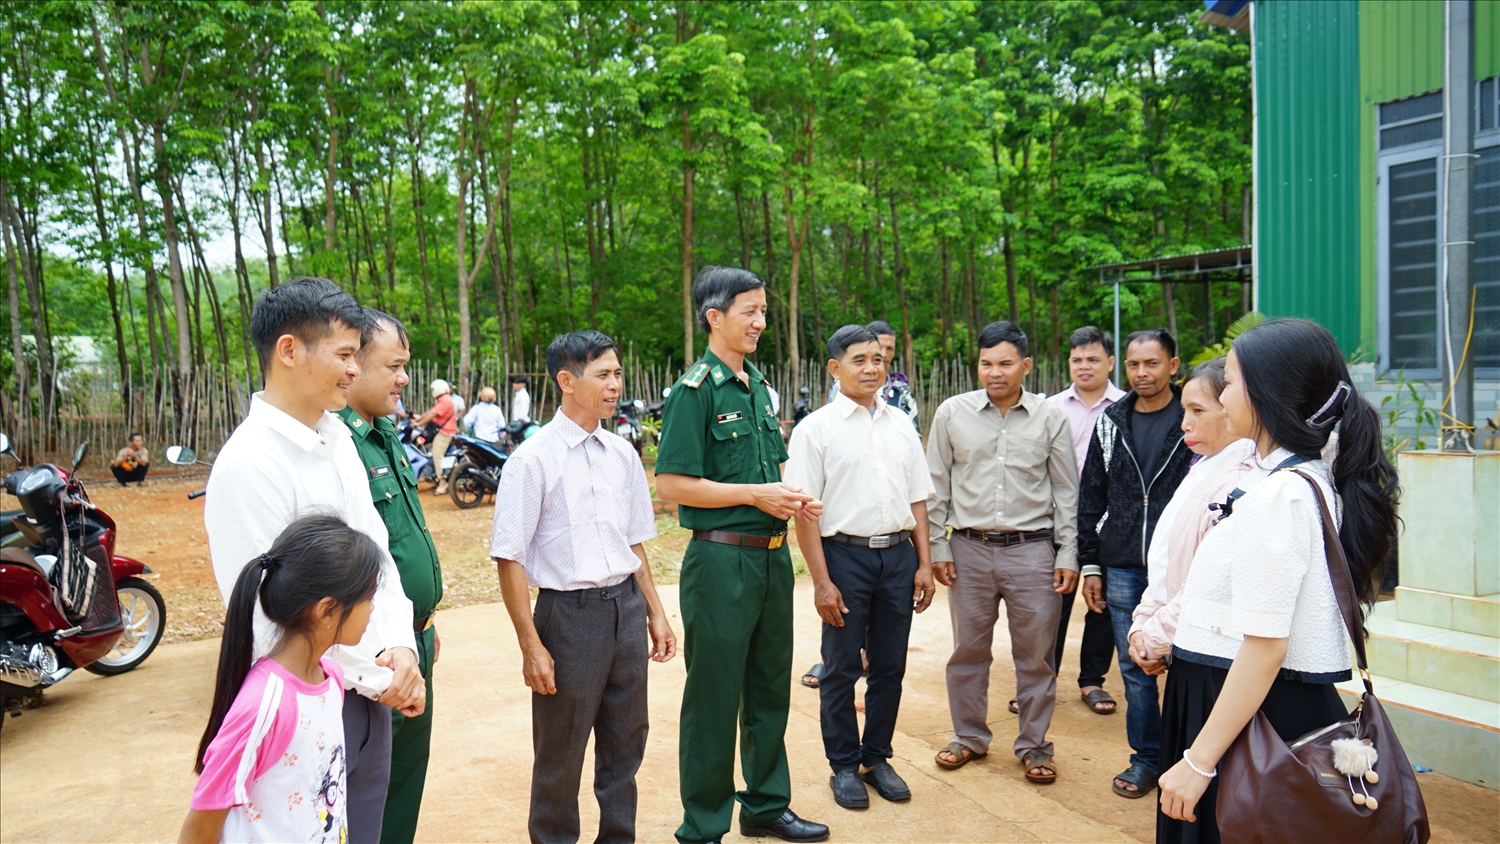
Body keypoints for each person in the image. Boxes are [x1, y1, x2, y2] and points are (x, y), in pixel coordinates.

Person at [1157, 319, 1398, 843]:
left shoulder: (1279, 496)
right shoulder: (1278, 481)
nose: (1221, 391)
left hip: (1248, 712)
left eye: (1232, 379)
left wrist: (1199, 763)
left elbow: (1266, 647)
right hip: (1238, 701)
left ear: (1266, 393)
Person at [204, 277, 425, 844]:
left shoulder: (337, 438)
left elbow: (378, 555)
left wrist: (400, 642)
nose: (355, 370)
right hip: (302, 710)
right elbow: (272, 621)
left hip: (368, 692)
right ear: (289, 350)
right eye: (345, 354)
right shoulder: (249, 467)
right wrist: (381, 676)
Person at [655, 266, 829, 844]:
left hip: (773, 561)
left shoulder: (757, 386)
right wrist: (755, 495)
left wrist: (791, 499)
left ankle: (764, 806)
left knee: (768, 689)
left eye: (763, 311)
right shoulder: (693, 391)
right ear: (714, 317)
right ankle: (703, 825)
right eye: (749, 311)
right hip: (720, 563)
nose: (760, 322)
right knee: (713, 698)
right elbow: (673, 484)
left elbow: (767, 474)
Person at [491, 330, 677, 844]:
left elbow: (634, 542)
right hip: (567, 619)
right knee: (561, 751)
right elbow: (509, 557)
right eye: (604, 374)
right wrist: (531, 645)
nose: (615, 383)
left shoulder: (622, 454)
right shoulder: (532, 460)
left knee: (626, 743)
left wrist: (655, 612)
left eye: (617, 373)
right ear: (567, 380)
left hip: (626, 609)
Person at [784, 325, 935, 810]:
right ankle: (844, 765)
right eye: (858, 360)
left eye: (877, 359)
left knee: (890, 665)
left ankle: (877, 757)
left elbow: (917, 499)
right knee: (842, 666)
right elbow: (805, 513)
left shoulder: (901, 425)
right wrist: (821, 582)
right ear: (835, 368)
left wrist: (924, 564)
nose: (871, 368)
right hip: (844, 557)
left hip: (898, 555)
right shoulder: (816, 429)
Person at [927, 320, 1079, 785]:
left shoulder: (1050, 417)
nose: (995, 372)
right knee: (967, 652)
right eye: (986, 363)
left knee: (1035, 655)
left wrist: (1068, 552)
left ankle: (1035, 746)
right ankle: (968, 737)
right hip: (967, 550)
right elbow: (935, 484)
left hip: (1031, 552)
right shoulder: (951, 413)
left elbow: (1066, 491)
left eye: (1006, 363)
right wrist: (936, 543)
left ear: (1026, 366)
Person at [179, 516, 381, 844]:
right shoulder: (266, 703)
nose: (373, 608)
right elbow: (201, 827)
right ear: (327, 609)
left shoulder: (331, 679)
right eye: (368, 597)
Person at [336, 310, 445, 844]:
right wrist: (393, 643)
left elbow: (405, 538)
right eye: (395, 366)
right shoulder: (338, 444)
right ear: (353, 364)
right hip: (376, 654)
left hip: (412, 638)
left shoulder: (383, 433)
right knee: (368, 793)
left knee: (404, 783)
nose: (405, 378)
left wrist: (423, 623)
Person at [1077, 327, 1193, 800]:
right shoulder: (1111, 421)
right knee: (1135, 666)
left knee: (1189, 666)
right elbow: (1091, 495)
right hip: (1123, 563)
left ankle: (1191, 762)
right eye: (1133, 364)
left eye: (1152, 363)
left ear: (1173, 366)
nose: (1142, 373)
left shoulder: (1195, 415)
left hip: (1184, 567)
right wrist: (1091, 564)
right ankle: (1146, 759)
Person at [1127, 358, 1255, 676]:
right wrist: (1142, 625)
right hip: (1182, 639)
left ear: (1236, 407)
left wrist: (1153, 637)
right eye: (1185, 411)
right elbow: (1168, 564)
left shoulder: (1242, 479)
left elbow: (1208, 583)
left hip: (1210, 652)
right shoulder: (1204, 466)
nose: (1185, 423)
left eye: (1198, 411)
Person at [1042, 326, 1125, 717]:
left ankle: (1092, 680)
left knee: (1102, 604)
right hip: (1055, 520)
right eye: (1077, 359)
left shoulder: (1126, 408)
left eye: (1093, 359)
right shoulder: (1051, 408)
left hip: (1108, 522)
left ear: (1110, 362)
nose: (1084, 366)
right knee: (1050, 604)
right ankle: (1041, 681)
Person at [824, 321, 919, 433]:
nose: (884, 354)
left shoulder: (902, 392)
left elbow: (914, 436)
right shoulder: (840, 387)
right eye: (860, 361)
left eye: (890, 348)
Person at [412, 379, 458, 496]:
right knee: (431, 454)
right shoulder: (442, 400)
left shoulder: (445, 401)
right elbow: (430, 412)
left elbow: (432, 414)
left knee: (437, 456)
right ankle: (436, 478)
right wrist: (418, 420)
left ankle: (443, 483)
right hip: (442, 431)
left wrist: (418, 423)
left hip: (444, 433)